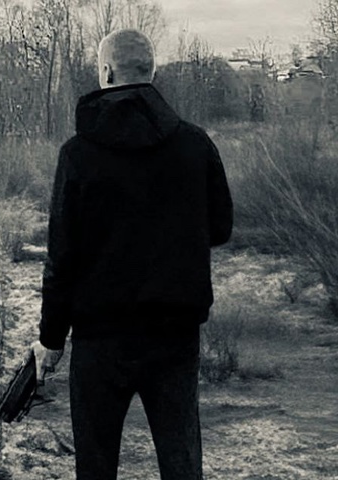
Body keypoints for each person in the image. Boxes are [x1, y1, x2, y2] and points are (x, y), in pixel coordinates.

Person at [33, 29, 233, 480]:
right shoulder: (195, 144)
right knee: (181, 460)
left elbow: (61, 256)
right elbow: (220, 229)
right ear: (152, 72)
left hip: (98, 336)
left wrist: (51, 339)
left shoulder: (78, 154)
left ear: (105, 72)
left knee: (96, 464)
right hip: (174, 332)